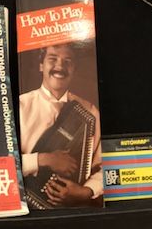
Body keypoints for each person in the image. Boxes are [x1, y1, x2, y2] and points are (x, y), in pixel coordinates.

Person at [19, 41, 102, 207]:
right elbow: (2, 166)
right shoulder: (20, 105)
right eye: (52, 59)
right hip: (26, 208)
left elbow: (105, 166)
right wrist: (45, 159)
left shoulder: (91, 112)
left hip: (72, 211)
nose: (60, 67)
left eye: (67, 62)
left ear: (74, 70)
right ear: (41, 65)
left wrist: (84, 192)